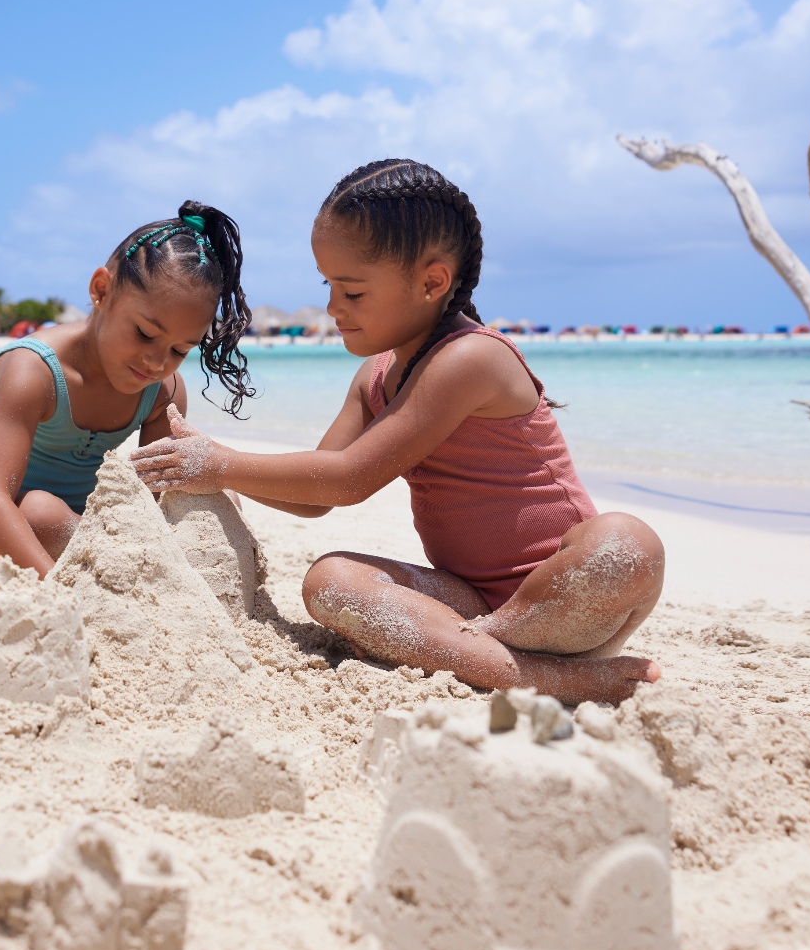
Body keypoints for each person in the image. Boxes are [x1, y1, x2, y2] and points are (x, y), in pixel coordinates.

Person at [131, 160, 663, 705]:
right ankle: (507, 662)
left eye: (353, 292)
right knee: (330, 580)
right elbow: (316, 497)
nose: (333, 308)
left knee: (627, 542)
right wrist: (203, 466)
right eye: (328, 286)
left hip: (569, 595)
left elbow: (348, 481)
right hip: (472, 601)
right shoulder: (375, 378)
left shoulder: (472, 358)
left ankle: (501, 662)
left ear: (432, 282)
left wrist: (220, 463)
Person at [0, 200, 251, 576]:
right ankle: (89, 572)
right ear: (101, 290)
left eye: (179, 350)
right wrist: (58, 595)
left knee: (214, 498)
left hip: (80, 522)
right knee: (42, 512)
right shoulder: (34, 373)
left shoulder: (162, 393)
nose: (156, 362)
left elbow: (150, 500)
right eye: (144, 334)